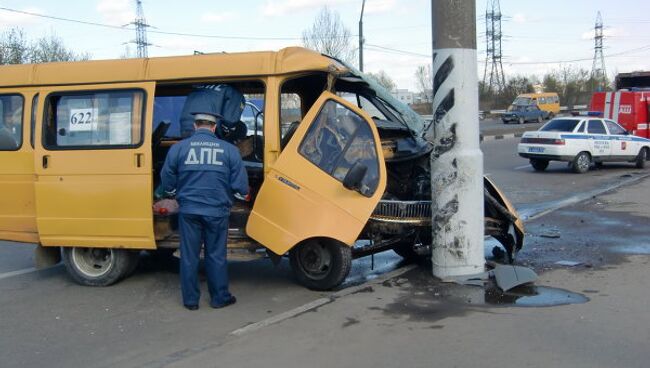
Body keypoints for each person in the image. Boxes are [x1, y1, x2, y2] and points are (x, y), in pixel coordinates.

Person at [161, 110, 249, 311]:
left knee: (189, 255)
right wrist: (235, 195)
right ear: (214, 127)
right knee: (216, 255)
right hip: (217, 212)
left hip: (189, 211)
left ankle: (191, 301)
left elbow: (167, 178)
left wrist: (174, 192)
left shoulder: (179, 148)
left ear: (195, 126)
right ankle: (219, 298)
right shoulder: (228, 150)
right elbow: (241, 187)